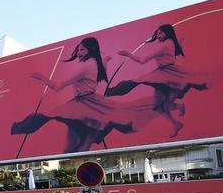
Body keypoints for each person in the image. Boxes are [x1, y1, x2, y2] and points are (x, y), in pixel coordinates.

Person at [11, 37, 161, 154]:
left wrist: (41, 77)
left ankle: (79, 176)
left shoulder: (85, 66)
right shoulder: (97, 62)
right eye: (78, 50)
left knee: (77, 145)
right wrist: (106, 58)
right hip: (89, 104)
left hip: (85, 105)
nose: (78, 53)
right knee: (75, 146)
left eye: (82, 50)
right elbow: (104, 59)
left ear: (89, 50)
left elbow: (57, 87)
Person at [105, 24, 223, 138]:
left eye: (160, 33)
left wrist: (127, 54)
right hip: (164, 74)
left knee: (201, 77)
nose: (158, 36)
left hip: (167, 75)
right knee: (159, 106)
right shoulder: (171, 42)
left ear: (166, 33)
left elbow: (142, 61)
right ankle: (177, 115)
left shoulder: (165, 45)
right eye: (157, 34)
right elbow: (178, 42)